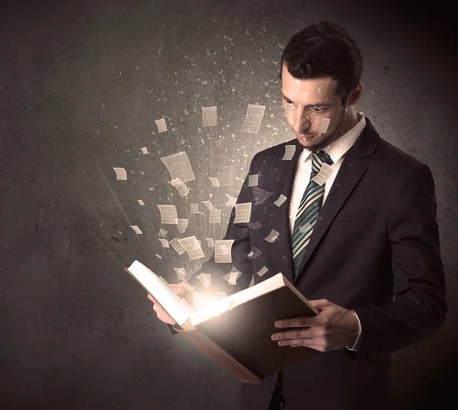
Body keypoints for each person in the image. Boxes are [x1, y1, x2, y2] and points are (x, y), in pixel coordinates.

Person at [148, 21, 447, 410]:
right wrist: (188, 297)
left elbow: (427, 303)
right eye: (289, 102)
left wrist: (356, 327)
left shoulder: (402, 178)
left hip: (344, 395)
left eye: (316, 108)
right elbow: (234, 263)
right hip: (259, 391)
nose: (298, 123)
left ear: (353, 94)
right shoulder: (266, 164)